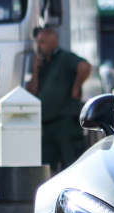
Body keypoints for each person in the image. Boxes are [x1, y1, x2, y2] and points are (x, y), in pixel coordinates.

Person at [27, 27, 92, 173]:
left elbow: (85, 66)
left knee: (72, 165)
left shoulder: (64, 58)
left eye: (42, 43)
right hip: (47, 125)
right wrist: (36, 72)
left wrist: (76, 87)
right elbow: (32, 92)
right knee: (46, 167)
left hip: (65, 123)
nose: (39, 47)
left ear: (53, 42)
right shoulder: (42, 64)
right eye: (38, 42)